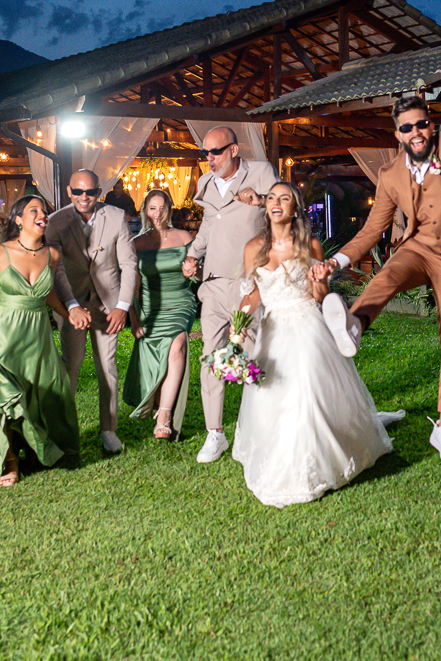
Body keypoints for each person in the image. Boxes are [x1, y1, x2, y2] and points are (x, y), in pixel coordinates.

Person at [319, 40, 441, 467]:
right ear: (398, 136)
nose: (417, 133)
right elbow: (373, 229)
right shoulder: (389, 175)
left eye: (421, 124)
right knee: (387, 275)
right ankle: (353, 325)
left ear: (430, 124)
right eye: (407, 128)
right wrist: (337, 261)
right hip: (419, 249)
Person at [232, 183, 395, 507]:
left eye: (285, 198)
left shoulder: (311, 245)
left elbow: (319, 297)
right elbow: (252, 295)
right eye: (273, 198)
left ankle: (312, 466)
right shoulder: (253, 247)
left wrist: (320, 281)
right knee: (272, 395)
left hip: (307, 324)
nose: (277, 203)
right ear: (267, 207)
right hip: (273, 328)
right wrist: (236, 333)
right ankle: (278, 455)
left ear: (295, 209)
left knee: (306, 394)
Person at [0, 195, 86, 487]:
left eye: (44, 210)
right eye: (34, 210)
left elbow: (47, 295)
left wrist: (68, 312)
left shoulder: (51, 256)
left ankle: (37, 449)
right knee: (5, 398)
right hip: (1, 334)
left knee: (40, 394)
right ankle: (9, 460)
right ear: (18, 220)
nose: (42, 214)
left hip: (37, 336)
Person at [183, 127, 279, 463]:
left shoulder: (262, 172)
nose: (209, 159)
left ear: (234, 149)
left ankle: (266, 424)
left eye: (216, 152)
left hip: (249, 282)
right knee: (211, 357)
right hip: (212, 282)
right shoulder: (205, 184)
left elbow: (286, 205)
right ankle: (215, 434)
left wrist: (261, 200)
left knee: (254, 353)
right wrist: (193, 254)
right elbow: (209, 223)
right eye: (205, 153)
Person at [44, 170, 138, 455]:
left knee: (107, 367)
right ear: (69, 192)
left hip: (108, 304)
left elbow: (129, 264)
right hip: (72, 302)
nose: (84, 198)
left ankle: (108, 429)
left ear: (99, 191)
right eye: (78, 192)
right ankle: (64, 429)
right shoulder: (56, 221)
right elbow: (56, 269)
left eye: (91, 192)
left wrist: (122, 307)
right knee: (71, 364)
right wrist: (71, 306)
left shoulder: (116, 216)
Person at [123, 189, 197, 439]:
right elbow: (131, 285)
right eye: (152, 208)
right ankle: (155, 402)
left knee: (177, 346)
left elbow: (197, 269)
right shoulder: (137, 243)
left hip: (180, 302)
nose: (158, 213)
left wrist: (192, 270)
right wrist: (133, 319)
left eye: (162, 207)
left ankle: (164, 416)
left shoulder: (184, 236)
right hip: (150, 305)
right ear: (145, 211)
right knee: (157, 355)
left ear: (170, 209)